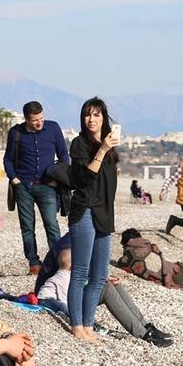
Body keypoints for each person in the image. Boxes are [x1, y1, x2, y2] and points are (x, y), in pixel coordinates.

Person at [35, 238, 173, 347]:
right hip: (59, 300)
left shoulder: (79, 249)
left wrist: (103, 278)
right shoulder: (69, 249)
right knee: (105, 288)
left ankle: (144, 325)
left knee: (112, 284)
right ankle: (142, 333)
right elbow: (65, 296)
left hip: (72, 293)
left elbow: (82, 279)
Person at [67, 97, 119, 343]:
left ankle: (88, 325)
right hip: (85, 210)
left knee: (99, 275)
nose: (91, 119)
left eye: (96, 115)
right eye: (88, 114)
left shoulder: (109, 148)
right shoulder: (79, 144)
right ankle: (77, 326)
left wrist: (107, 148)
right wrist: (103, 150)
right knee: (80, 272)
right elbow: (85, 179)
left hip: (104, 213)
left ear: (104, 118)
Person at [3, 101, 68, 275]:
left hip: (48, 186)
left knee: (51, 224)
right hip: (23, 186)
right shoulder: (15, 132)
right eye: (35, 120)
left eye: (41, 118)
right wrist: (13, 178)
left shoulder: (53, 128)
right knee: (27, 227)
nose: (39, 122)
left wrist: (58, 179)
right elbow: (8, 159)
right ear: (26, 119)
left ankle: (57, 261)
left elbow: (63, 155)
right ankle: (33, 262)